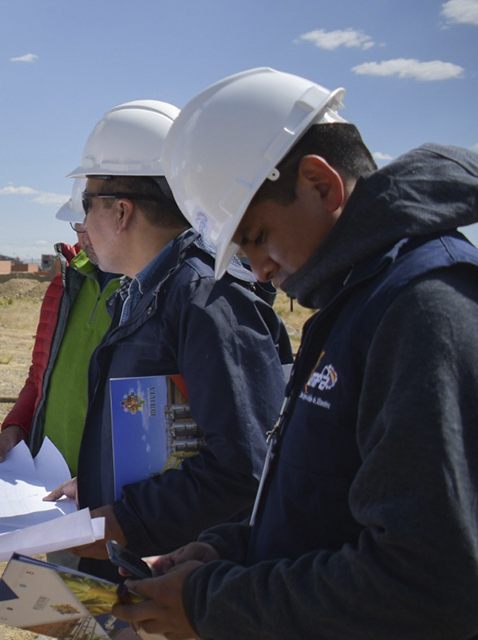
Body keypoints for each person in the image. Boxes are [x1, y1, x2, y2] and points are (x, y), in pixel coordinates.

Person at [113, 68, 478, 640]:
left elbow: (426, 583)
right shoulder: (357, 300)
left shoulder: (420, 312)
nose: (258, 269)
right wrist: (226, 551)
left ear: (321, 184)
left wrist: (213, 603)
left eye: (255, 236)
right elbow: (328, 510)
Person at [46, 100, 292, 579]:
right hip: (149, 557)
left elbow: (244, 464)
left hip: (186, 570)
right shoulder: (149, 290)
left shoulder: (207, 298)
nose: (82, 222)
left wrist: (126, 519)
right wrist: (103, 480)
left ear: (121, 211)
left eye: (86, 204)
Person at [0, 178, 121, 476]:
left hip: (112, 491)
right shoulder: (65, 283)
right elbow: (40, 376)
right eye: (77, 225)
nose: (84, 237)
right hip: (47, 478)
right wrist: (16, 427)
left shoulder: (152, 294)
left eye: (90, 224)